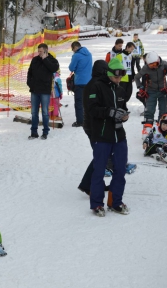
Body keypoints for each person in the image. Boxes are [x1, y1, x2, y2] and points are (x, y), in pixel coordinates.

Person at [88, 58, 129, 217]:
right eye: (116, 76)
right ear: (109, 73)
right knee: (99, 171)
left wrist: (124, 116)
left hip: (119, 136)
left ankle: (115, 202)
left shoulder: (120, 90)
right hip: (102, 135)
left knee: (120, 170)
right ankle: (97, 203)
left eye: (121, 77)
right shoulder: (97, 86)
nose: (118, 79)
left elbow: (123, 108)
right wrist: (109, 112)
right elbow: (92, 110)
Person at [78, 60, 109, 195]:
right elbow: (95, 108)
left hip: (92, 125)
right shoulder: (96, 85)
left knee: (101, 155)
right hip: (93, 126)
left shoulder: (94, 83)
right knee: (101, 156)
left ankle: (93, 184)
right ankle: (87, 185)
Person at [135, 51, 167, 139]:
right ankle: (147, 130)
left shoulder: (164, 64)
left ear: (158, 61)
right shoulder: (145, 68)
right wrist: (140, 87)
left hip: (163, 91)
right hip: (151, 92)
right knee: (149, 111)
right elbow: (137, 77)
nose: (153, 66)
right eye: (150, 65)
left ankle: (162, 130)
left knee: (163, 111)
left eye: (155, 64)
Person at [26, 43, 59, 140]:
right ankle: (34, 132)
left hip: (45, 90)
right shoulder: (35, 60)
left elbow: (54, 68)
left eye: (41, 51)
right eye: (38, 51)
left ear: (45, 51)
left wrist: (45, 59)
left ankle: (45, 132)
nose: (39, 53)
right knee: (34, 112)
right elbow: (30, 72)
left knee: (45, 112)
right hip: (34, 90)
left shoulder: (52, 60)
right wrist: (30, 83)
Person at [68, 41, 92, 127]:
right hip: (89, 81)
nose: (73, 51)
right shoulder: (89, 54)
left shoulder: (76, 55)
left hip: (79, 81)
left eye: (72, 49)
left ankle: (80, 121)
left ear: (75, 47)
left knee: (79, 102)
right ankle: (89, 119)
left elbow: (71, 68)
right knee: (88, 101)